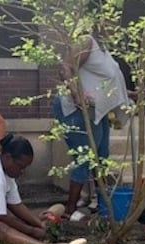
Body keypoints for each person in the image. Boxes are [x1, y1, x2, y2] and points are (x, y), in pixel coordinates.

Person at [53, 31, 131, 221]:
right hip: (77, 110)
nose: (113, 25)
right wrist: (76, 94)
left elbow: (107, 85)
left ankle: (102, 203)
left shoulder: (105, 52)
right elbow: (65, 67)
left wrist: (133, 94)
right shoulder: (86, 40)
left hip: (98, 111)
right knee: (85, 157)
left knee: (101, 157)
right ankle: (70, 211)